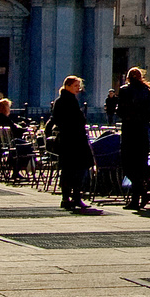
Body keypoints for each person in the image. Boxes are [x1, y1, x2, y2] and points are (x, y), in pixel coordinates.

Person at [47, 75, 99, 214]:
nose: (78, 88)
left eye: (79, 86)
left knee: (72, 169)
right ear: (68, 86)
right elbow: (67, 120)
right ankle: (71, 197)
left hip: (71, 139)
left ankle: (72, 197)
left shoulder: (67, 100)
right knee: (73, 169)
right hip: (72, 140)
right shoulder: (65, 101)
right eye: (76, 86)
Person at [116, 67, 150, 209]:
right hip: (142, 131)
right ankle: (140, 195)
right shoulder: (147, 91)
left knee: (128, 164)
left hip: (129, 130)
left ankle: (138, 197)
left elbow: (120, 110)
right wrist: (143, 119)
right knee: (140, 164)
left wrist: (130, 117)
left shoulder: (124, 90)